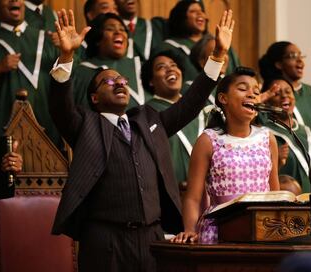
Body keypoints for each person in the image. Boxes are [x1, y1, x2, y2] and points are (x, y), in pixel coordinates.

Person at [49, 8, 234, 271]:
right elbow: (59, 107)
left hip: (152, 239)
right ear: (94, 98)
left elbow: (191, 103)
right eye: (109, 81)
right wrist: (67, 56)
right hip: (105, 241)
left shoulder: (149, 122)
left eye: (123, 79)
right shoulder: (85, 124)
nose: (120, 83)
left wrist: (217, 56)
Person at [171, 66, 280, 244]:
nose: (252, 94)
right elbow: (193, 197)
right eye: (243, 88)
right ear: (223, 98)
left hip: (263, 229)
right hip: (221, 229)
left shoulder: (268, 138)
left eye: (256, 91)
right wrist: (190, 230)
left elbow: (275, 193)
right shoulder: (208, 140)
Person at [0, 0, 61, 146]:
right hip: (3, 126)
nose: (14, 0)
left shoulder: (47, 40)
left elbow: (68, 81)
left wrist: (66, 52)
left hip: (46, 126)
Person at [260, 76, 311, 193]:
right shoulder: (264, 136)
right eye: (277, 93)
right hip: (292, 209)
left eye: (288, 91)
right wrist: (274, 161)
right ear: (266, 101)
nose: (284, 96)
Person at [142, 50, 204, 186]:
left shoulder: (203, 110)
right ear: (151, 81)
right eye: (161, 67)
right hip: (172, 195)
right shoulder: (146, 114)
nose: (170, 69)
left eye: (174, 65)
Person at [259, 41, 311, 146]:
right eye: (293, 56)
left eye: (301, 56)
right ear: (279, 64)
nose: (300, 60)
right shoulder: (271, 96)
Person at [72, 13, 146, 110]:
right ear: (97, 39)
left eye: (122, 29)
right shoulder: (82, 72)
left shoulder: (142, 67)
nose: (118, 32)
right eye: (110, 29)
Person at [162, 0, 240, 83]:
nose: (200, 14)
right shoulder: (168, 47)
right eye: (193, 11)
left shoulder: (220, 43)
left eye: (202, 11)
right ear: (181, 17)